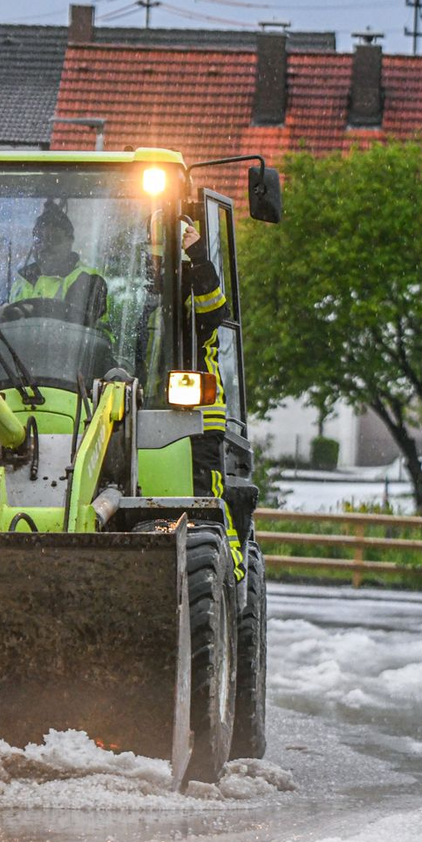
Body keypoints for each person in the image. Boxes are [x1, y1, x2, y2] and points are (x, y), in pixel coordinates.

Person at [180, 219, 243, 580]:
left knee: (206, 501)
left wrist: (199, 257)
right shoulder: (144, 299)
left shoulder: (194, 288)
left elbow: (214, 310)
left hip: (197, 417)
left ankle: (229, 574)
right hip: (143, 413)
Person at [0, 200, 110, 331]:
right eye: (39, 240)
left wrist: (29, 312)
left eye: (54, 239)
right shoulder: (20, 284)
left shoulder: (88, 280)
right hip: (17, 351)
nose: (45, 246)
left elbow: (74, 330)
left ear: (70, 241)